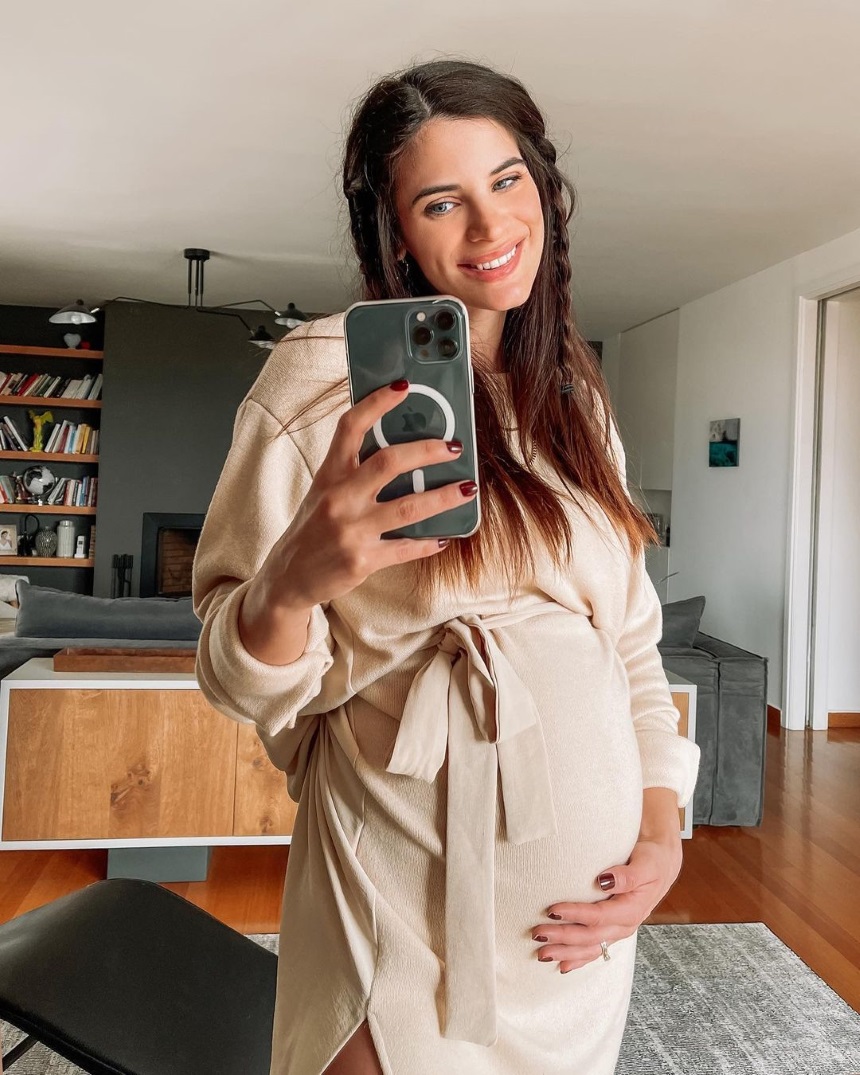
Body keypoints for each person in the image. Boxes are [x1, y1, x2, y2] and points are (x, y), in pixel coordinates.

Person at [192, 58, 700, 1075]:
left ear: (543, 186)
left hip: (577, 953)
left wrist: (660, 827)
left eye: (507, 181)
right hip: (397, 912)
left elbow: (632, 646)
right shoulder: (318, 379)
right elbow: (231, 674)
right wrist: (292, 580)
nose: (489, 225)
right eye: (440, 201)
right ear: (393, 233)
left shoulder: (571, 394)